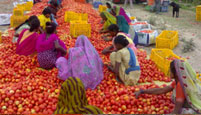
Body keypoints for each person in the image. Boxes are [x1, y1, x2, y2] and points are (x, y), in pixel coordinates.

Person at [135, 60, 201, 114]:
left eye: (170, 70)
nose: (169, 71)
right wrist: (142, 91)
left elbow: (176, 110)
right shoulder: (181, 81)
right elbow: (162, 90)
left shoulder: (180, 85)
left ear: (176, 73)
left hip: (192, 109)